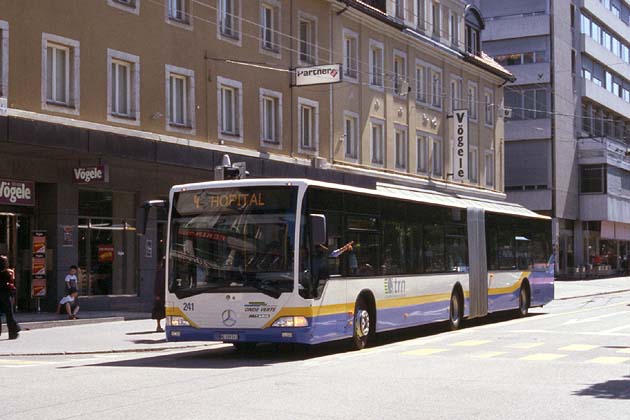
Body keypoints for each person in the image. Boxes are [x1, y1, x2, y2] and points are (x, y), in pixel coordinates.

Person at [0, 255, 20, 339]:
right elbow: (12, 281)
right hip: (6, 295)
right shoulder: (9, 272)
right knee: (9, 315)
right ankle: (13, 332)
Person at [152, 259, 166, 332]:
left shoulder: (160, 272)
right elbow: (158, 284)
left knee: (160, 311)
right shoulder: (161, 272)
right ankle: (159, 326)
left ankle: (159, 326)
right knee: (159, 311)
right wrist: (157, 294)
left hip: (162, 294)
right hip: (162, 295)